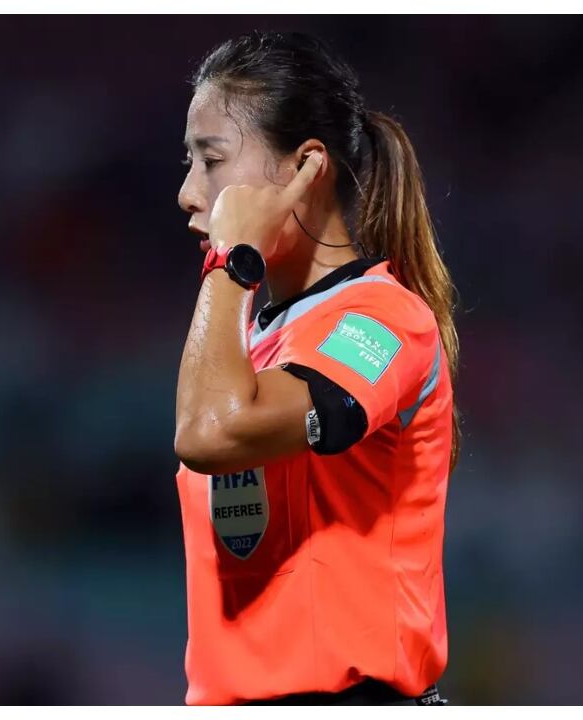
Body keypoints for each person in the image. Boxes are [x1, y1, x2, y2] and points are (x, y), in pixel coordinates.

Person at [173, 31, 456, 706]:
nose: (188, 193)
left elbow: (210, 432)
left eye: (211, 161)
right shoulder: (249, 341)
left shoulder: (385, 321)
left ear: (305, 166)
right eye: (187, 162)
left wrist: (231, 257)